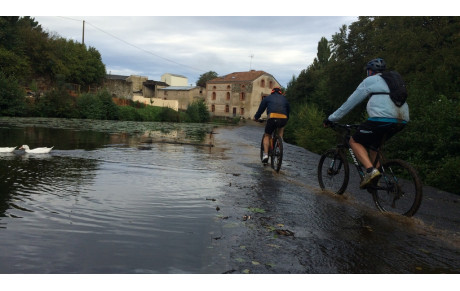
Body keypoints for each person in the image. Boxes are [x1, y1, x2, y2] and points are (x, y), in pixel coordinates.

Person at [323, 58, 410, 188]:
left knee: (354, 141)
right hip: (402, 120)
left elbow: (350, 103)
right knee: (374, 146)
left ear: (370, 71)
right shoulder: (391, 82)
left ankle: (370, 171)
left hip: (381, 119)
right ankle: (379, 180)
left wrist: (332, 118)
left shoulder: (369, 81)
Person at [254, 87, 290, 164]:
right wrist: (286, 120)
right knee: (281, 129)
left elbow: (261, 109)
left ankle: (266, 155)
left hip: (272, 118)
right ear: (280, 92)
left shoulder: (268, 98)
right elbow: (288, 111)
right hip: (283, 118)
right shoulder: (285, 99)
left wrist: (256, 118)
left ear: (272, 92)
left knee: (267, 135)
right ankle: (279, 143)